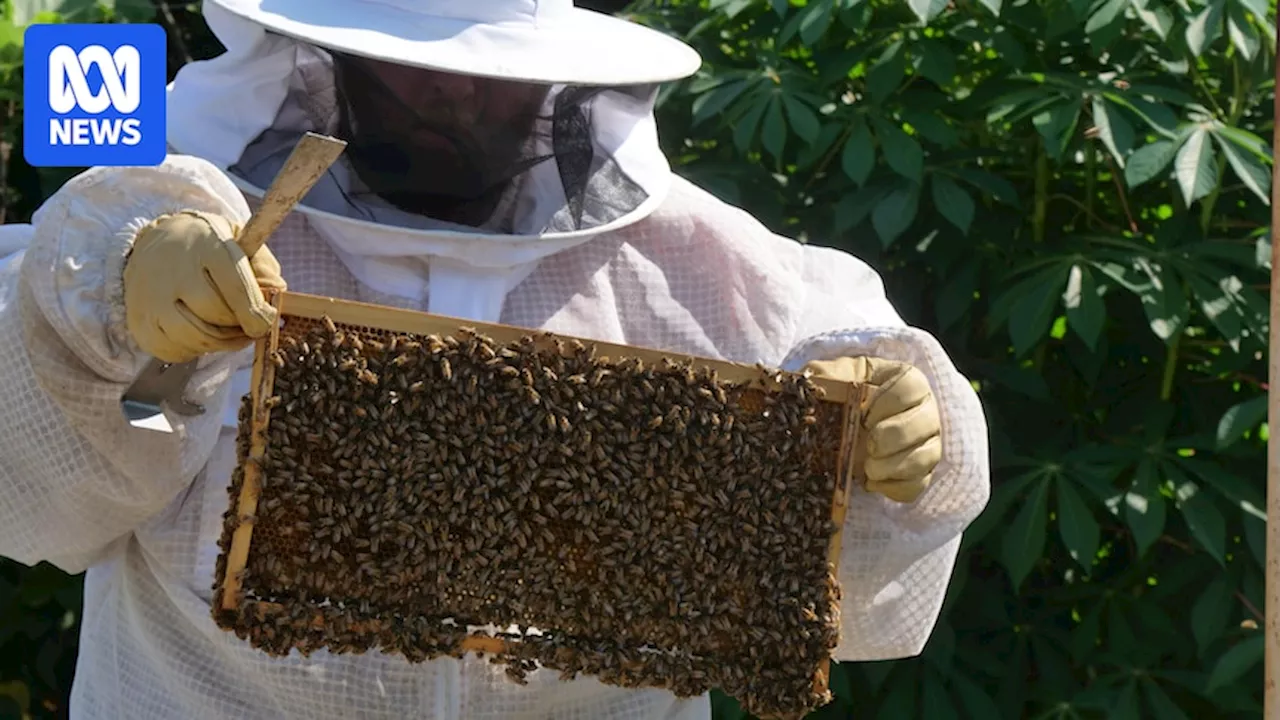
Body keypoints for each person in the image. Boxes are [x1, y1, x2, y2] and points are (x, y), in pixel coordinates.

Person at [0, 0, 991, 717]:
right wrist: (101, 311)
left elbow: (854, 580)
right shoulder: (194, 229)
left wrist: (897, 425)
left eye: (489, 71)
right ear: (318, 54)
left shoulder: (702, 268)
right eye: (411, 64)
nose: (453, 96)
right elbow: (37, 502)